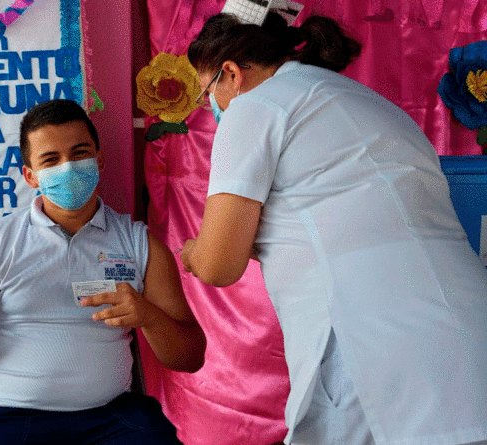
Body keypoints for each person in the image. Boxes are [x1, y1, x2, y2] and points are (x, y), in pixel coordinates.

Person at [181, 11, 487, 445]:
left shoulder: (255, 105)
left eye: (206, 93)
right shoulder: (366, 102)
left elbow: (217, 264)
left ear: (230, 72)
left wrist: (193, 251)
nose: (212, 108)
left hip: (370, 342)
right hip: (468, 330)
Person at [0, 99, 206, 445]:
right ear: (30, 176)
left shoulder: (139, 244)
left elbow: (191, 358)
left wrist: (148, 315)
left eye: (79, 153)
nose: (68, 168)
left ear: (99, 159)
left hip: (111, 419)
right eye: (51, 160)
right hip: (8, 419)